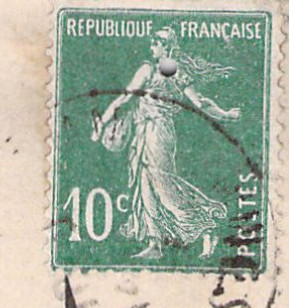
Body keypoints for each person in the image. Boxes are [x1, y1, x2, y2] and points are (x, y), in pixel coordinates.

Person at [93, 28, 241, 259]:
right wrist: (105, 121)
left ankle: (204, 227)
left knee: (163, 185)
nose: (152, 44)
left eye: (158, 41)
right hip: (144, 130)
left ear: (168, 46)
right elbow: (125, 98)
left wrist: (227, 114)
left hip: (159, 131)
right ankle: (155, 243)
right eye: (152, 40)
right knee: (144, 184)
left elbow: (200, 102)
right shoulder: (152, 69)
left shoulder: (169, 72)